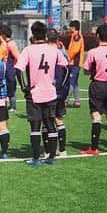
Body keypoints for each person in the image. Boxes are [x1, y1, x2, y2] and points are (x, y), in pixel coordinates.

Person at [15, 21, 66, 166]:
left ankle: (36, 159)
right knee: (50, 124)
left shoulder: (28, 50)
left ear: (32, 34)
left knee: (35, 127)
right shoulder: (54, 49)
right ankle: (51, 157)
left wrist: (24, 87)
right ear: (45, 34)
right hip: (50, 92)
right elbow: (66, 68)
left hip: (34, 93)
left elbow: (18, 70)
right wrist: (60, 85)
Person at [82, 24, 107, 155]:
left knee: (96, 116)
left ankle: (94, 148)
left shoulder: (93, 52)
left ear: (98, 36)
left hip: (97, 85)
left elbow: (86, 71)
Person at [47, 28, 70, 157]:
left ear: (46, 38)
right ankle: (62, 150)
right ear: (57, 39)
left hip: (48, 91)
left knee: (47, 120)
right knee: (59, 120)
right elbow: (67, 71)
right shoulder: (62, 53)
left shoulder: (44, 53)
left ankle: (49, 150)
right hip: (60, 91)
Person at [0, 24, 19, 112]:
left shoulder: (11, 44)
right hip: (6, 67)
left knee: (11, 86)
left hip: (10, 68)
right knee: (5, 85)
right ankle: (5, 105)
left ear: (4, 34)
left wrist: (15, 67)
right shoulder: (5, 43)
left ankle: (13, 106)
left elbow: (17, 56)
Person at [66, 20, 85, 108]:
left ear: (73, 27)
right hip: (75, 63)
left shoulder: (76, 36)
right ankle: (77, 101)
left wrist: (68, 58)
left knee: (70, 82)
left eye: (70, 26)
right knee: (75, 82)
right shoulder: (74, 35)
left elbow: (75, 50)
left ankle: (65, 101)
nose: (69, 28)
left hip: (74, 63)